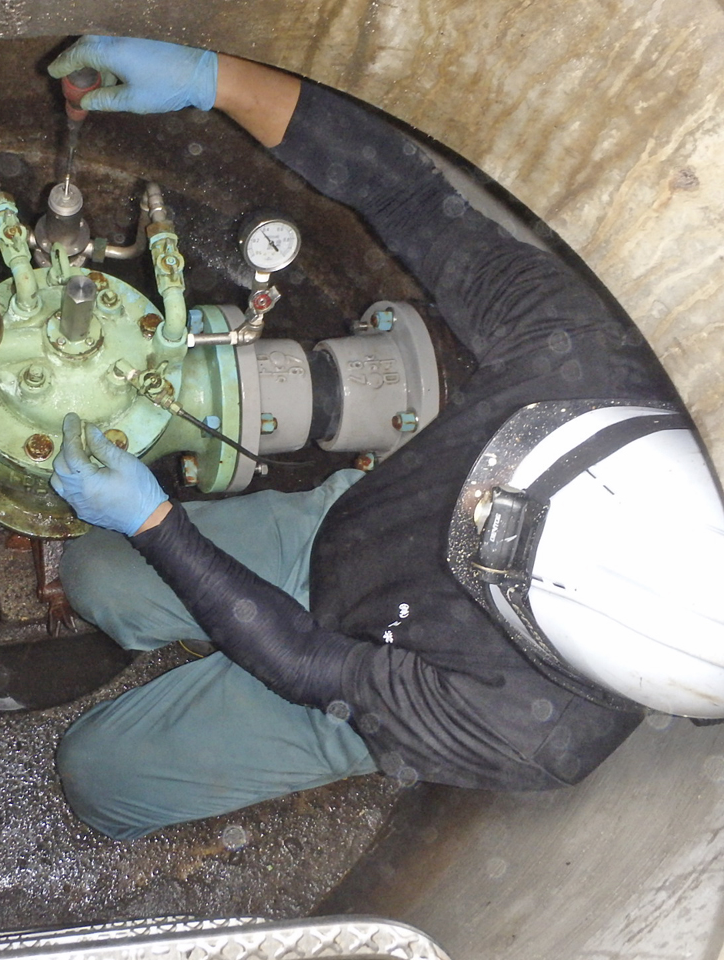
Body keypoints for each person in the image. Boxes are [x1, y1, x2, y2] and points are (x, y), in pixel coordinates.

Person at [43, 36, 724, 840]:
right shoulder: (582, 356)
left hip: (361, 683)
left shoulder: (535, 735)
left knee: (95, 775)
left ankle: (204, 691)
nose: (484, 503)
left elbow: (309, 664)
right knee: (91, 570)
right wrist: (214, 78)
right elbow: (403, 192)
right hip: (346, 535)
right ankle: (185, 616)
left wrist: (158, 525)